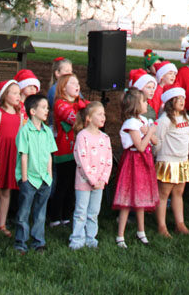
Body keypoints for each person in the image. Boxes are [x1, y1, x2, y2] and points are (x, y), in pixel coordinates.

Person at [113, 87, 159, 249]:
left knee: (141, 197)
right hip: (133, 161)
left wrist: (150, 132)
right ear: (135, 105)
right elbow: (139, 146)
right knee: (127, 199)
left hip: (144, 161)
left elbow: (154, 141)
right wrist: (149, 132)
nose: (147, 104)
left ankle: (141, 231)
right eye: (144, 101)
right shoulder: (131, 123)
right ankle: (120, 235)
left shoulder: (143, 121)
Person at [14, 93, 56, 253]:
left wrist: (49, 176)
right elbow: (24, 156)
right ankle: (20, 243)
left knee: (40, 213)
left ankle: (39, 242)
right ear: (32, 111)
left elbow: (49, 156)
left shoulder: (47, 132)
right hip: (29, 179)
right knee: (24, 212)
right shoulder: (25, 131)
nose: (47, 111)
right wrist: (24, 179)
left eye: (47, 108)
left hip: (44, 179)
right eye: (43, 108)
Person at [69, 102, 113, 250]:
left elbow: (108, 160)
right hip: (84, 182)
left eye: (104, 114)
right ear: (88, 117)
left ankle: (90, 237)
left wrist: (102, 180)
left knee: (93, 212)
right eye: (99, 114)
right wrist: (92, 180)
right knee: (81, 211)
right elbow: (82, 160)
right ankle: (77, 239)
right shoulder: (83, 136)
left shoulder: (105, 138)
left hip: (99, 183)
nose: (103, 117)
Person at [154, 86, 189, 236]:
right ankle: (162, 226)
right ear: (171, 101)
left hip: (182, 161)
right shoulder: (164, 120)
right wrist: (157, 156)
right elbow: (158, 140)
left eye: (183, 98)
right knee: (164, 193)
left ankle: (180, 223)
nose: (182, 101)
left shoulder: (186, 118)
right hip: (168, 161)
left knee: (179, 192)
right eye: (178, 99)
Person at [0, 79, 23, 237]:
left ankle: (1, 224)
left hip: (12, 154)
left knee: (7, 191)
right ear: (4, 95)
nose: (17, 96)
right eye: (14, 93)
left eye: (18, 93)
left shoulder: (19, 115)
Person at [49, 73, 86, 225]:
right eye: (73, 83)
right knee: (63, 184)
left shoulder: (80, 103)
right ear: (63, 87)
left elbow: (90, 114)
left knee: (72, 185)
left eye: (78, 83)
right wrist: (84, 115)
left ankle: (66, 216)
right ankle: (55, 217)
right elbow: (75, 119)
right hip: (64, 151)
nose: (77, 86)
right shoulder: (60, 104)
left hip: (78, 151)